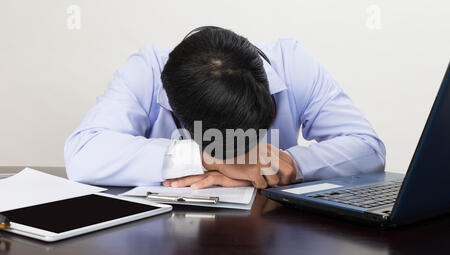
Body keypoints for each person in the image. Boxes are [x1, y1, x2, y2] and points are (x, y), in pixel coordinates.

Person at [64, 26, 385, 189]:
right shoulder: (147, 72)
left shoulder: (292, 63)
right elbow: (83, 153)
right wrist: (206, 159)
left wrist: (289, 163)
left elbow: (369, 148)